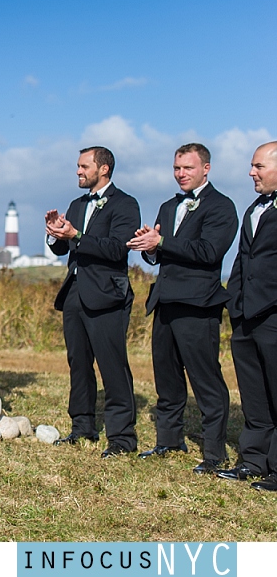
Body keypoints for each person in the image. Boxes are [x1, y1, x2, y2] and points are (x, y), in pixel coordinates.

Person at [127, 143, 237, 474]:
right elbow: (159, 254)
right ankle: (169, 440)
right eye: (176, 168)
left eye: (187, 168)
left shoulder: (221, 207)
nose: (180, 174)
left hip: (198, 304)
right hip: (165, 300)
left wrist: (162, 242)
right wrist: (149, 247)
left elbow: (208, 251)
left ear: (206, 168)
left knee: (206, 380)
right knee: (167, 378)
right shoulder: (166, 206)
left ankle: (215, 453)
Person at [45, 146, 140, 458]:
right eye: (77, 166)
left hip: (108, 294)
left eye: (84, 166)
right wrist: (55, 235)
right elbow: (63, 249)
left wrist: (77, 235)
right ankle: (82, 426)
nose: (78, 171)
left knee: (112, 365)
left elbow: (116, 249)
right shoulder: (76, 204)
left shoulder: (125, 204)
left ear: (104, 169)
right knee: (78, 363)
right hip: (74, 293)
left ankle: (122, 438)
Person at [217, 141, 277, 490]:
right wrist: (234, 304)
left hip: (273, 316)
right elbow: (242, 260)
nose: (251, 172)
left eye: (259, 167)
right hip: (245, 316)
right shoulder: (253, 209)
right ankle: (253, 461)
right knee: (254, 394)